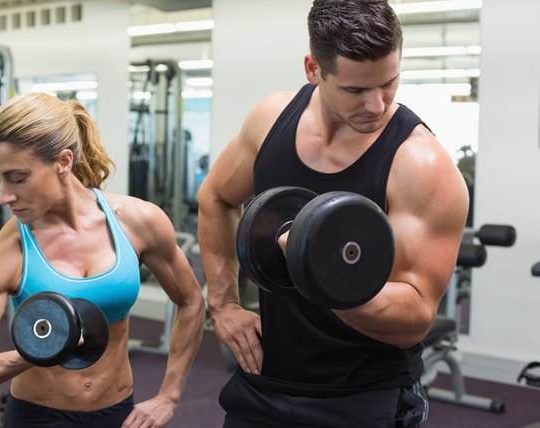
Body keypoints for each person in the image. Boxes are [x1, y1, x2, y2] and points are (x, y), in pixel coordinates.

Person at [197, 0, 469, 427]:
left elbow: (415, 316)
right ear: (313, 69)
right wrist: (224, 304)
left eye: (389, 83)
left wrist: (319, 272)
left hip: (364, 395)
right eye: (356, 90)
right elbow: (214, 197)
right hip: (264, 381)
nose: (377, 105)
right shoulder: (271, 119)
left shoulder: (422, 166)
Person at [0, 92, 205, 427]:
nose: (4, 196)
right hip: (38, 416)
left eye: (17, 178)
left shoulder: (138, 221)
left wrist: (170, 395)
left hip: (119, 413)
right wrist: (34, 353)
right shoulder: (11, 249)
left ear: (63, 162)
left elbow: (191, 300)